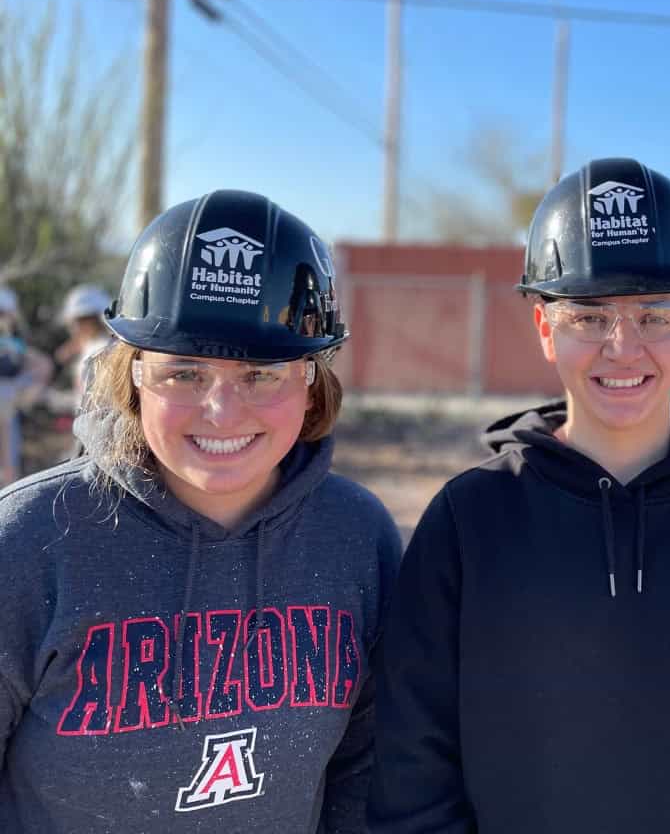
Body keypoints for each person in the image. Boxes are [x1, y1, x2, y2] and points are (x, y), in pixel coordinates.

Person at [368, 158, 670, 834]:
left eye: (653, 315)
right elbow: (414, 760)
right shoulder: (472, 518)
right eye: (588, 317)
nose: (623, 349)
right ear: (544, 328)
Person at [0, 190, 402, 832]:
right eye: (183, 372)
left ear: (310, 378)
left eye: (261, 374)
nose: (221, 411)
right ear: (132, 373)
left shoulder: (357, 538)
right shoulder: (28, 542)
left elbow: (365, 766)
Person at [0, 285, 52, 487]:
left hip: (8, 404)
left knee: (9, 463)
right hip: (7, 402)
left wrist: (21, 393)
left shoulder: (14, 344)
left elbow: (42, 366)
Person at [55, 282, 113, 403]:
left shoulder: (103, 349)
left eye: (81, 320)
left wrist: (56, 400)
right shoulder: (91, 345)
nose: (75, 327)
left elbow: (96, 398)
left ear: (96, 319)